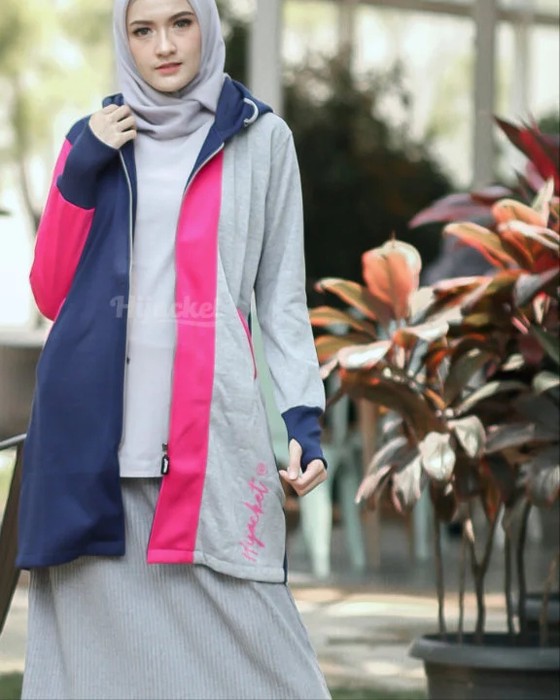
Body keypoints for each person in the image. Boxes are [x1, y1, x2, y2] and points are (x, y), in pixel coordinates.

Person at [17, 1, 331, 698]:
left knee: (271, 663)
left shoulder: (260, 138)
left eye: (180, 23)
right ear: (124, 39)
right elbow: (50, 291)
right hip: (94, 444)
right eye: (143, 29)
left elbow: (281, 297)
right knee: (94, 670)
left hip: (210, 439)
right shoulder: (91, 138)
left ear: (208, 27)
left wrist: (302, 419)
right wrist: (80, 172)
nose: (164, 45)